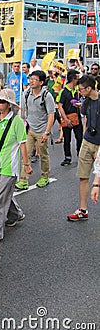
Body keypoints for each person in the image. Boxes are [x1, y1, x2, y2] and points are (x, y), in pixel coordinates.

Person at [0, 89, 32, 246]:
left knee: (0, 199)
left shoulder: (17, 121)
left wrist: (26, 165)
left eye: (2, 101)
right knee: (3, 194)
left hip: (9, 166)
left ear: (9, 105)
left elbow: (23, 145)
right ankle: (15, 214)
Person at [15, 70, 55, 190]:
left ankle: (44, 176)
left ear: (41, 82)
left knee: (43, 155)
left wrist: (46, 132)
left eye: (34, 79)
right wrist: (21, 124)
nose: (31, 81)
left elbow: (51, 115)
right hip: (29, 129)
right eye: (30, 79)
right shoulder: (26, 94)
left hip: (42, 130)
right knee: (25, 154)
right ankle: (23, 179)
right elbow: (22, 111)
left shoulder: (46, 96)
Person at [67, 75, 100, 221]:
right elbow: (85, 119)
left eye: (81, 89)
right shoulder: (86, 103)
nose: (79, 92)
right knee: (83, 176)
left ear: (89, 88)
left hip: (99, 144)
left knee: (97, 179)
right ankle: (82, 209)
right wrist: (85, 138)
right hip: (88, 141)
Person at [56, 69, 83, 166]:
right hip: (67, 116)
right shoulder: (64, 91)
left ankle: (80, 155)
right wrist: (65, 119)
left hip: (77, 116)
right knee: (67, 139)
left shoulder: (78, 90)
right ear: (72, 79)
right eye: (77, 78)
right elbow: (60, 105)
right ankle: (67, 157)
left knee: (79, 137)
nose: (78, 80)